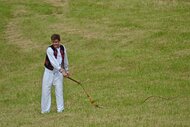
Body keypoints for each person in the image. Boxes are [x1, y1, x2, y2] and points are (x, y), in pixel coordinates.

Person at [41, 34, 69, 113]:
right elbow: (54, 62)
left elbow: (65, 59)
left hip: (58, 73)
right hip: (49, 72)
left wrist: (67, 70)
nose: (55, 44)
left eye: (56, 42)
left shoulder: (63, 48)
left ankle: (60, 109)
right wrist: (62, 70)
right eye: (53, 42)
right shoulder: (49, 50)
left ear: (59, 41)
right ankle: (45, 110)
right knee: (46, 91)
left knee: (59, 90)